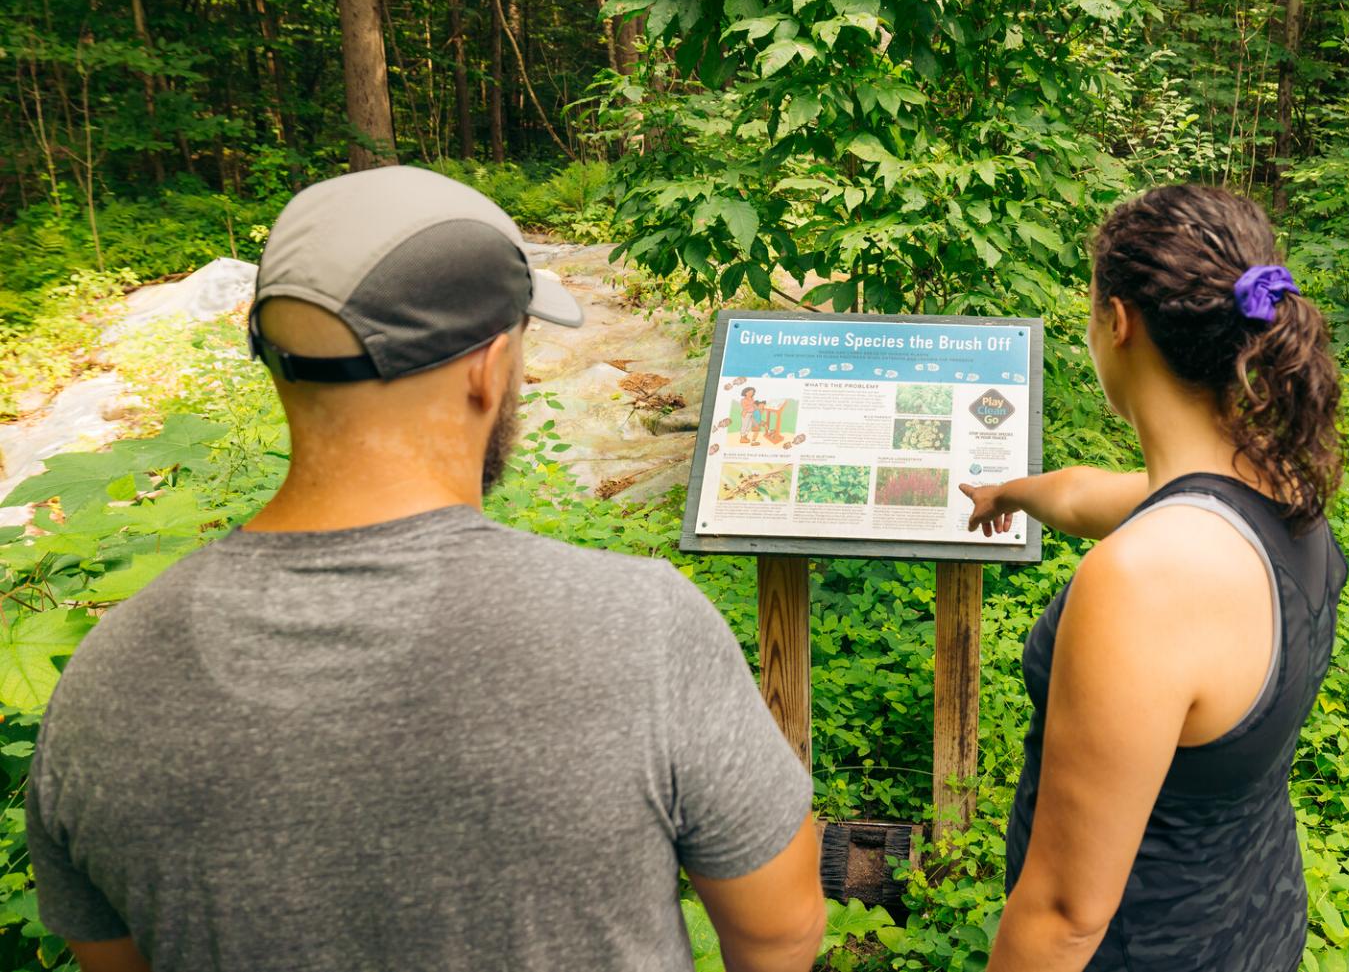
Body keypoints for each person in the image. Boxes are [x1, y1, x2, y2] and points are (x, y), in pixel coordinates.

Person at [26, 166, 826, 972]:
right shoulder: (643, 629)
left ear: (272, 362)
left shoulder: (103, 681)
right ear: (489, 367)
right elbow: (779, 928)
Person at [961, 184, 1346, 972]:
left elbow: (1067, 913)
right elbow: (1084, 494)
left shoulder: (1146, 581)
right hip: (1255, 917)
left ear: (1119, 322)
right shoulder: (1274, 486)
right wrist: (1008, 494)